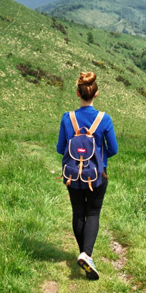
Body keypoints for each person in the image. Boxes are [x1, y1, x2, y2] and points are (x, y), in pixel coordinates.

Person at [57, 71, 118, 280]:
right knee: (93, 213)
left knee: (78, 213)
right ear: (96, 94)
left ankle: (84, 253)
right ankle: (87, 254)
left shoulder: (68, 118)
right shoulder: (104, 119)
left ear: (77, 93)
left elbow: (60, 148)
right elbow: (114, 149)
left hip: (73, 175)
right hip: (97, 175)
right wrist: (99, 156)